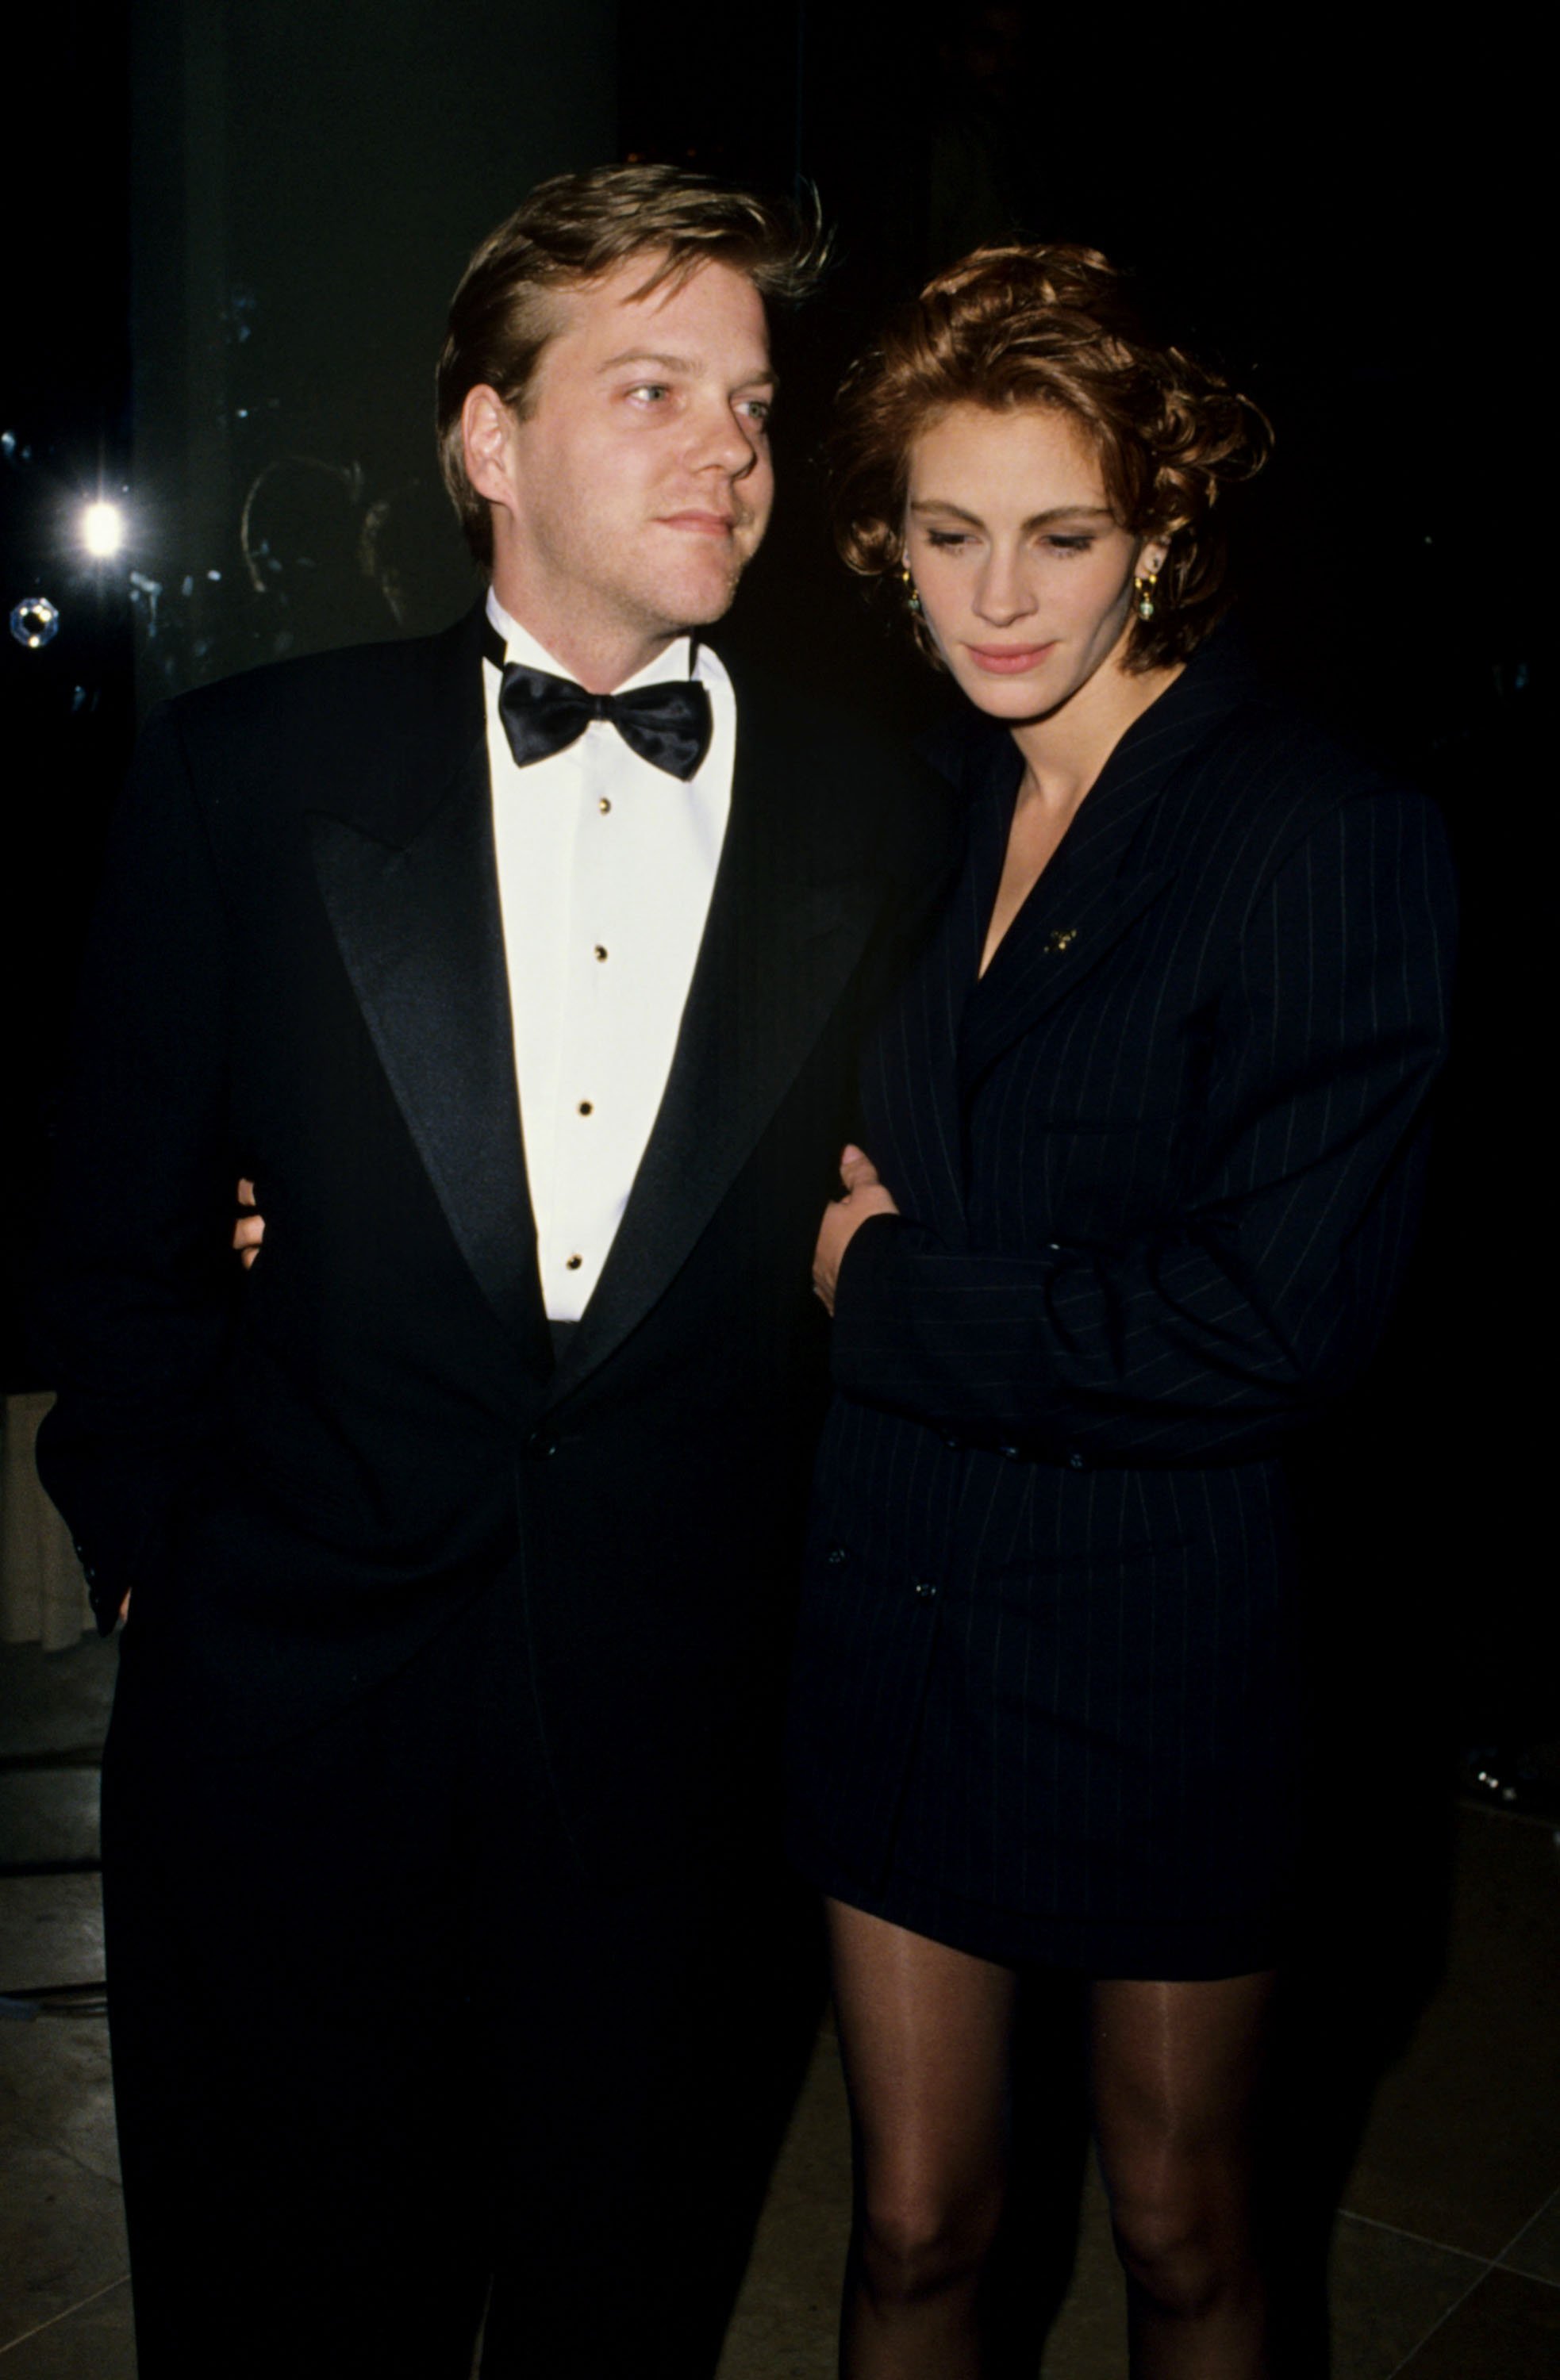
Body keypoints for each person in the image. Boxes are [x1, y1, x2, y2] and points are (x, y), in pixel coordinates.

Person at [32, 166, 951, 2378]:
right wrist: (168, 1561)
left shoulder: (886, 811)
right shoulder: (251, 775)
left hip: (674, 1747)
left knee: (611, 2310)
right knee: (282, 2313)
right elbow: (113, 1226)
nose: (730, 441)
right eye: (652, 389)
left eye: (745, 396)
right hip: (286, 1723)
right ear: (488, 440)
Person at [789, 243, 1457, 2378]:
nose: (998, 598)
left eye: (1062, 538)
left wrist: (889, 1292)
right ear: (886, 539)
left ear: (1158, 531)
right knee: (909, 2229)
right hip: (894, 1607)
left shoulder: (1322, 839)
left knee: (1182, 2237)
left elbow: (1266, 1328)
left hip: (1160, 1641)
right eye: (949, 535)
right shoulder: (925, 809)